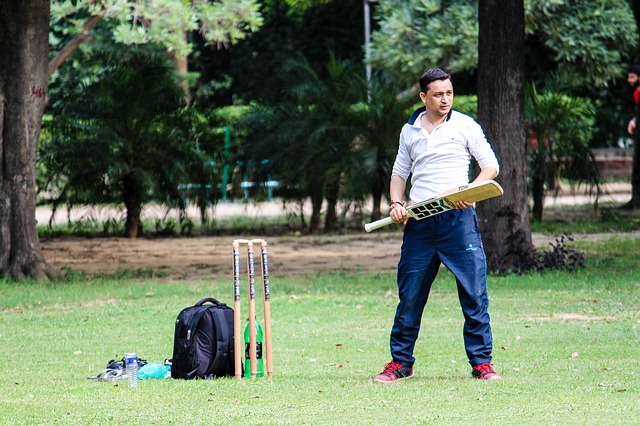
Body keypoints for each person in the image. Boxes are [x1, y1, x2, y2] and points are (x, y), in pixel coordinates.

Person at [374, 68, 501, 382]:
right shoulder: (410, 131)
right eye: (437, 94)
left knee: (474, 294)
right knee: (411, 295)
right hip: (420, 223)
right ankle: (400, 363)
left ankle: (482, 363)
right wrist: (396, 204)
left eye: (449, 93)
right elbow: (399, 173)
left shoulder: (465, 125)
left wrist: (469, 192)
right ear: (423, 97)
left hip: (459, 222)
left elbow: (490, 167)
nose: (445, 100)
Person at [626, 64, 640, 136]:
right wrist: (634, 120)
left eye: (632, 77)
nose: (629, 80)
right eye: (629, 77)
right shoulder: (636, 93)